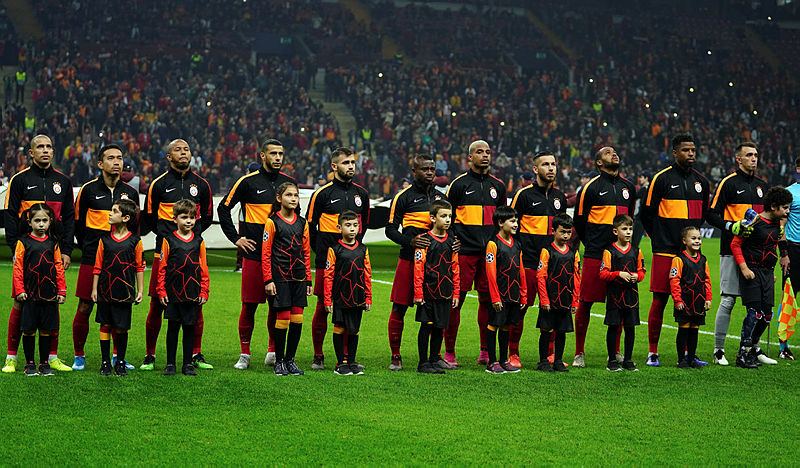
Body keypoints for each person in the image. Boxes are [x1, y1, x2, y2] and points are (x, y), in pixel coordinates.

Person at [218, 139, 295, 370]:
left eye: (281, 153)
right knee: (249, 306)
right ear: (262, 156)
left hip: (280, 258)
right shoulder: (247, 182)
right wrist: (236, 238)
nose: (278, 157)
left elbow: (295, 219)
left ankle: (272, 351)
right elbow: (223, 208)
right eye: (273, 153)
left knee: (277, 306)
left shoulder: (288, 183)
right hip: (254, 256)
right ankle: (245, 353)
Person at [3, 135, 74, 374]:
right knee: (20, 301)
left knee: (51, 302)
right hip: (27, 251)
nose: (45, 150)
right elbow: (10, 214)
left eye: (49, 147)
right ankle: (12, 357)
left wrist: (66, 250)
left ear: (53, 152)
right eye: (40, 147)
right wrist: (14, 247)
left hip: (52, 252)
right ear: (31, 153)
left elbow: (69, 218)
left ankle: (51, 357)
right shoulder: (20, 180)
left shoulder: (63, 181)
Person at [141, 139, 214, 371]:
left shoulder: (202, 185)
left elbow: (207, 216)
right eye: (177, 150)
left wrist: (192, 239)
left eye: (186, 150)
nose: (183, 153)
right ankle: (150, 355)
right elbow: (150, 217)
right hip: (164, 252)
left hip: (192, 253)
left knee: (196, 304)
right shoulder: (158, 184)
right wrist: (169, 238)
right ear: (169, 156)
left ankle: (195, 354)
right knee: (157, 303)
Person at [640, 134, 709, 367]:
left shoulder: (702, 182)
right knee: (659, 299)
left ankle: (689, 354)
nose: (691, 153)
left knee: (692, 300)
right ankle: (653, 352)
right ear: (675, 152)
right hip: (665, 250)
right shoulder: (661, 179)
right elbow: (646, 213)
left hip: (691, 254)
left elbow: (704, 213)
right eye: (686, 150)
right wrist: (659, 237)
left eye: (693, 150)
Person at [71, 144, 140, 371]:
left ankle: (117, 357)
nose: (117, 162)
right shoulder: (88, 190)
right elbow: (78, 225)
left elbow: (135, 228)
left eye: (119, 158)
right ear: (100, 164)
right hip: (92, 257)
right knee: (85, 305)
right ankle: (79, 355)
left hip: (121, 261)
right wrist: (90, 247)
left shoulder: (130, 193)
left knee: (118, 307)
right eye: (111, 158)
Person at [445, 140, 507, 368]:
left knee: (488, 301)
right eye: (479, 152)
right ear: (469, 158)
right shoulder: (458, 185)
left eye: (488, 152)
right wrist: (453, 238)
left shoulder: (498, 186)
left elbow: (502, 218)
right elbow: (447, 215)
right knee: (456, 300)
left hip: (489, 252)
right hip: (465, 252)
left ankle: (485, 350)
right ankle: (449, 353)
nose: (485, 155)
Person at [572, 147, 636, 367]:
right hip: (595, 254)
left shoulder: (629, 187)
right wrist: (592, 243)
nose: (614, 154)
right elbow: (579, 221)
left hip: (621, 256)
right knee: (585, 303)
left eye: (615, 152)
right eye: (608, 153)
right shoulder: (589, 188)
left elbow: (629, 219)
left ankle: (615, 352)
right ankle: (579, 352)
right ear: (599, 162)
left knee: (620, 304)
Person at [307, 147, 370, 371]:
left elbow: (363, 226)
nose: (351, 166)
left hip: (352, 263)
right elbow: (310, 227)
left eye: (352, 162)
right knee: (323, 307)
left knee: (350, 307)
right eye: (346, 163)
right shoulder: (322, 194)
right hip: (327, 262)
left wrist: (354, 251)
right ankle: (318, 355)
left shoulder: (362, 194)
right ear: (334, 166)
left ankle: (346, 358)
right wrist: (321, 252)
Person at [385, 154, 449, 371]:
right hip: (409, 260)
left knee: (437, 309)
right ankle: (396, 355)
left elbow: (450, 227)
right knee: (399, 307)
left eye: (432, 169)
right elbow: (390, 229)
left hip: (435, 264)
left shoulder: (441, 198)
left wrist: (454, 241)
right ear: (414, 172)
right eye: (424, 169)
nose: (429, 172)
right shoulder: (403, 197)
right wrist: (409, 241)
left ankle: (435, 356)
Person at [706, 142, 767, 365]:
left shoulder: (762, 186)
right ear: (738, 159)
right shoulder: (728, 183)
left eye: (756, 155)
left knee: (758, 304)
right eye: (749, 155)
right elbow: (711, 214)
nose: (754, 158)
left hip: (757, 253)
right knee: (729, 299)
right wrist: (731, 226)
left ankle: (754, 349)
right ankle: (718, 351)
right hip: (731, 249)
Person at [509, 150, 567, 368]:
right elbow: (510, 226)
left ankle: (550, 353)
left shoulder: (560, 197)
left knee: (553, 308)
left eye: (553, 164)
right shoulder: (523, 196)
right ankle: (513, 353)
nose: (550, 168)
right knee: (521, 307)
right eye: (545, 164)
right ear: (535, 169)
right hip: (529, 262)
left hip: (553, 265)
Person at [730, 186, 792, 368]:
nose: (788, 211)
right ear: (773, 206)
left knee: (767, 315)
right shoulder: (753, 222)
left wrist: (774, 268)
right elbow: (735, 245)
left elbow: (773, 245)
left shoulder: (777, 224)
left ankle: (753, 350)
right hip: (752, 272)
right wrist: (744, 268)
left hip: (767, 274)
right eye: (785, 207)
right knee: (754, 313)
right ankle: (743, 353)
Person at [156, 199, 211, 376]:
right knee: (173, 328)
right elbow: (162, 267)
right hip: (173, 292)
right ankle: (170, 364)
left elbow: (204, 267)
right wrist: (161, 290)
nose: (188, 221)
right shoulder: (168, 240)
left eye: (192, 218)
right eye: (184, 217)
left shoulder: (199, 241)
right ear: (175, 219)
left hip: (192, 292)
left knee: (189, 328)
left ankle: (187, 364)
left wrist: (204, 290)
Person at [90, 199, 144, 377]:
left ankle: (120, 361)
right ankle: (105, 362)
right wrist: (94, 289)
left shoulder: (135, 241)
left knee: (121, 327)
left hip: (125, 292)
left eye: (114, 211)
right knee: (105, 325)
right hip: (105, 290)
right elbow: (97, 266)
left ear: (126, 218)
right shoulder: (104, 240)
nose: (110, 214)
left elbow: (139, 267)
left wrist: (140, 290)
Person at [262, 182, 312, 376]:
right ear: (279, 198)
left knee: (297, 320)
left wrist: (308, 279)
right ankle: (279, 361)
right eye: (289, 195)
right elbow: (266, 253)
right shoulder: (272, 222)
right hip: (280, 277)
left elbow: (306, 252)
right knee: (282, 318)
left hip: (298, 278)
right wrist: (268, 280)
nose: (293, 198)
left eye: (296, 195)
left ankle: (291, 360)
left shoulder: (302, 223)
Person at [12, 204, 66, 376]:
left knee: (46, 330)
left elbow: (58, 267)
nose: (41, 224)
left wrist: (61, 290)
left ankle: (44, 363)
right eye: (37, 220)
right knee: (28, 330)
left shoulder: (53, 243)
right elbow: (18, 267)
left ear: (50, 222)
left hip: (49, 295)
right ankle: (29, 364)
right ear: (29, 222)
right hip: (30, 295)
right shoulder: (23, 242)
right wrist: (19, 290)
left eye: (44, 220)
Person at [412, 199, 460, 374]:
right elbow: (418, 269)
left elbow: (455, 268)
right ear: (433, 218)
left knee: (440, 326)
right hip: (428, 292)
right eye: (443, 216)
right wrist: (418, 293)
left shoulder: (452, 242)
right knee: (427, 326)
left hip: (445, 292)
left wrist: (456, 293)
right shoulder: (424, 241)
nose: (447, 220)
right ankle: (423, 363)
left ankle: (434, 359)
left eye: (450, 216)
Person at [324, 211, 372, 375]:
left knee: (354, 329)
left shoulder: (363, 249)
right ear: (339, 228)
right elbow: (328, 275)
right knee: (339, 327)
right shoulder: (334, 249)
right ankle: (341, 364)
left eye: (355, 225)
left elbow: (367, 274)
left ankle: (351, 361)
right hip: (340, 296)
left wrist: (368, 297)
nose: (352, 229)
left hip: (358, 296)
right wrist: (328, 300)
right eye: (348, 225)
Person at [599, 214, 645, 371]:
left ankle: (628, 360)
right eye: (624, 229)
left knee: (630, 327)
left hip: (632, 297)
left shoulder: (636, 251)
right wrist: (618, 274)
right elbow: (603, 274)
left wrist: (638, 276)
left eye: (630, 229)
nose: (628, 232)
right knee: (613, 326)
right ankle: (612, 360)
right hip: (615, 296)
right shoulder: (609, 251)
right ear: (615, 231)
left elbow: (642, 271)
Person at [484, 206, 527, 374]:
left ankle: (503, 360)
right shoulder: (493, 244)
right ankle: (492, 362)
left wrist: (523, 295)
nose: (516, 224)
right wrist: (495, 297)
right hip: (499, 295)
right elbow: (490, 273)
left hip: (513, 294)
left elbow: (521, 270)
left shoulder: (517, 244)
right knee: (494, 324)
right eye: (512, 221)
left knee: (506, 326)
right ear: (501, 223)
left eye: (517, 221)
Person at [535, 213, 580, 372]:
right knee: (546, 331)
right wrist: (544, 300)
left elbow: (576, 278)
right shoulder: (547, 251)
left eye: (568, 232)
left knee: (562, 331)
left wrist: (575, 301)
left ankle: (558, 361)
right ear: (553, 231)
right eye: (562, 232)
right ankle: (543, 361)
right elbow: (541, 276)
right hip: (550, 300)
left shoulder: (574, 253)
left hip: (566, 300)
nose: (566, 235)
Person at [669, 226, 713, 369]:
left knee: (694, 329)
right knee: (684, 328)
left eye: (699, 238)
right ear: (684, 241)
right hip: (685, 301)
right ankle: (681, 359)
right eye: (693, 238)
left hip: (698, 301)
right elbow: (674, 281)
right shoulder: (678, 259)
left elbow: (707, 280)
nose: (697, 241)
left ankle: (691, 358)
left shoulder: (703, 259)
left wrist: (708, 298)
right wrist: (677, 300)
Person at [779, 156, 800, 360]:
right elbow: (781, 225)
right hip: (794, 250)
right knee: (788, 298)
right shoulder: (789, 193)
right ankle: (783, 347)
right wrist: (784, 254)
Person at [633, 170, 651, 249]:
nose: (639, 179)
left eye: (641, 177)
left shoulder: (644, 190)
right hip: (645, 218)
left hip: (640, 218)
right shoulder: (648, 189)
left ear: (646, 178)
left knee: (634, 242)